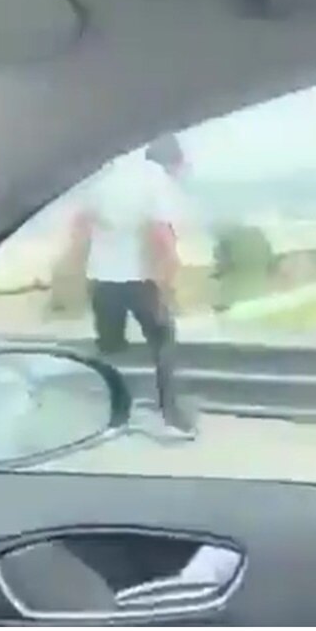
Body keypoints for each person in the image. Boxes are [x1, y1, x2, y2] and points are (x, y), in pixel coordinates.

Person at [71, 134, 195, 438]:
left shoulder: (104, 174)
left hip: (101, 278)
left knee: (110, 346)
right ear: (170, 162)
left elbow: (81, 225)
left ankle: (109, 413)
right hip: (141, 280)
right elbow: (161, 234)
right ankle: (172, 414)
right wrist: (169, 279)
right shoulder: (155, 180)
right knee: (164, 340)